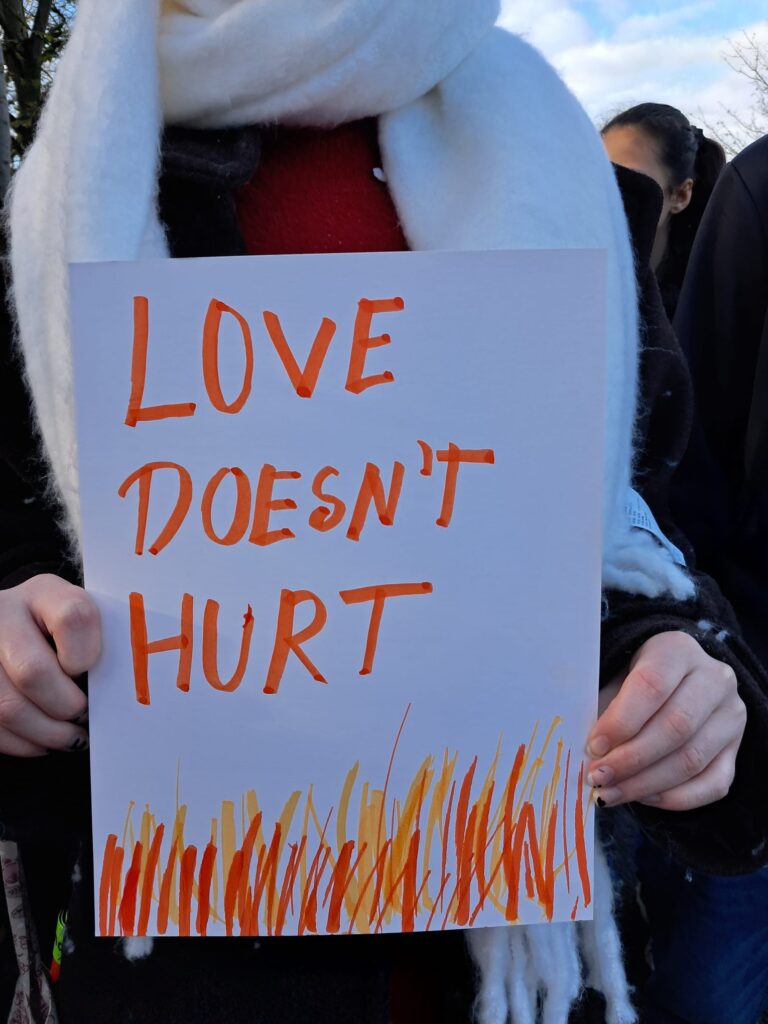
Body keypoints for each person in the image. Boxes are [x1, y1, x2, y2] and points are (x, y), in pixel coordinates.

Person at [0, 3, 766, 1022]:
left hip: (512, 967)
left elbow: (646, 534)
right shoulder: (71, 179)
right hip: (192, 969)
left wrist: (686, 680)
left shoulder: (549, 164)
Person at [633, 133, 768, 1024]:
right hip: (749, 711)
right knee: (707, 995)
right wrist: (686, 638)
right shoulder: (761, 190)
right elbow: (685, 472)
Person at [602, 103, 725, 320]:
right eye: (600, 175)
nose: (607, 193)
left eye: (627, 178)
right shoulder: (582, 280)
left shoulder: (707, 310)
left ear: (681, 195)